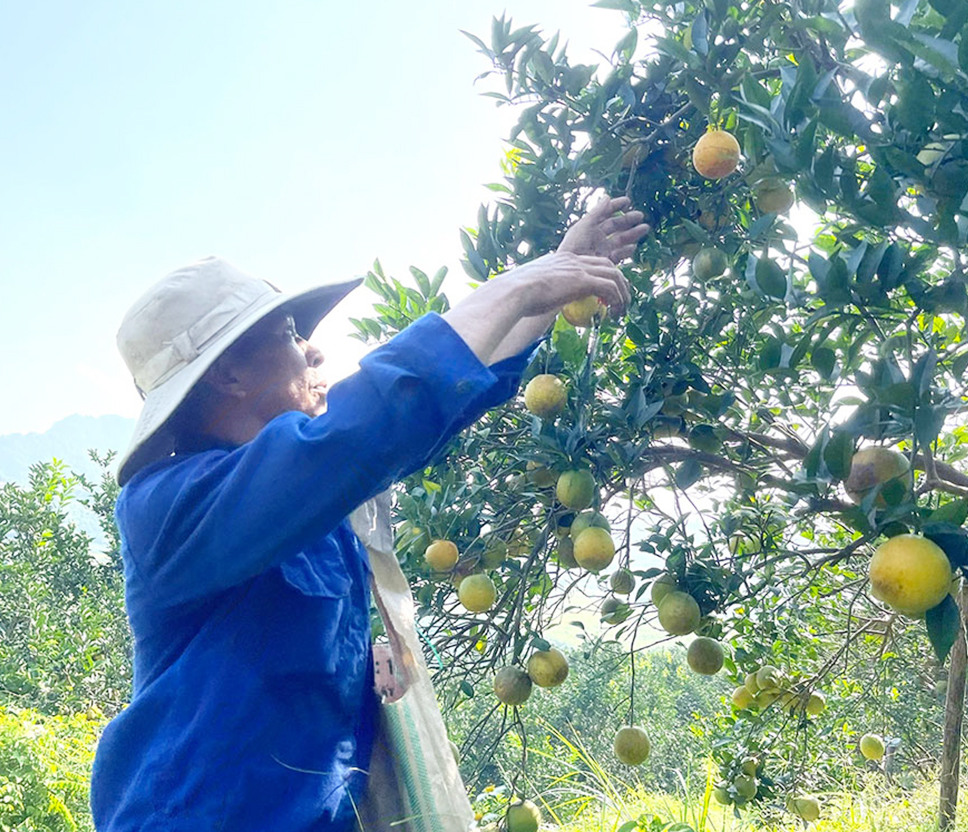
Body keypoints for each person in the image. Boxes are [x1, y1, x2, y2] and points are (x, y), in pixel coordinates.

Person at [89, 197, 648, 831]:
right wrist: (522, 284)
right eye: (290, 336)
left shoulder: (314, 509)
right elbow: (366, 428)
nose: (314, 353)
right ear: (231, 376)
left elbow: (424, 413)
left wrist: (551, 286)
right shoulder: (166, 506)